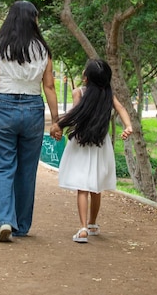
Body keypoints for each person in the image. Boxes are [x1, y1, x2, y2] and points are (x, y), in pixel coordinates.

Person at [0, 0, 59, 242]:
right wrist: (55, 120)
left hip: (3, 108)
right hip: (33, 108)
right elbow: (50, 86)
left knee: (2, 165)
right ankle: (21, 225)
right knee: (27, 169)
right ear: (33, 19)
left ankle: (5, 220)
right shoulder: (43, 49)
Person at [49, 59, 132, 243]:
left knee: (83, 187)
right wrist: (128, 126)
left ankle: (83, 228)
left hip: (81, 144)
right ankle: (93, 223)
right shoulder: (108, 95)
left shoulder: (79, 92)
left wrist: (57, 125)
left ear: (85, 78)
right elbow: (122, 109)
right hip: (100, 145)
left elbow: (75, 114)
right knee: (96, 187)